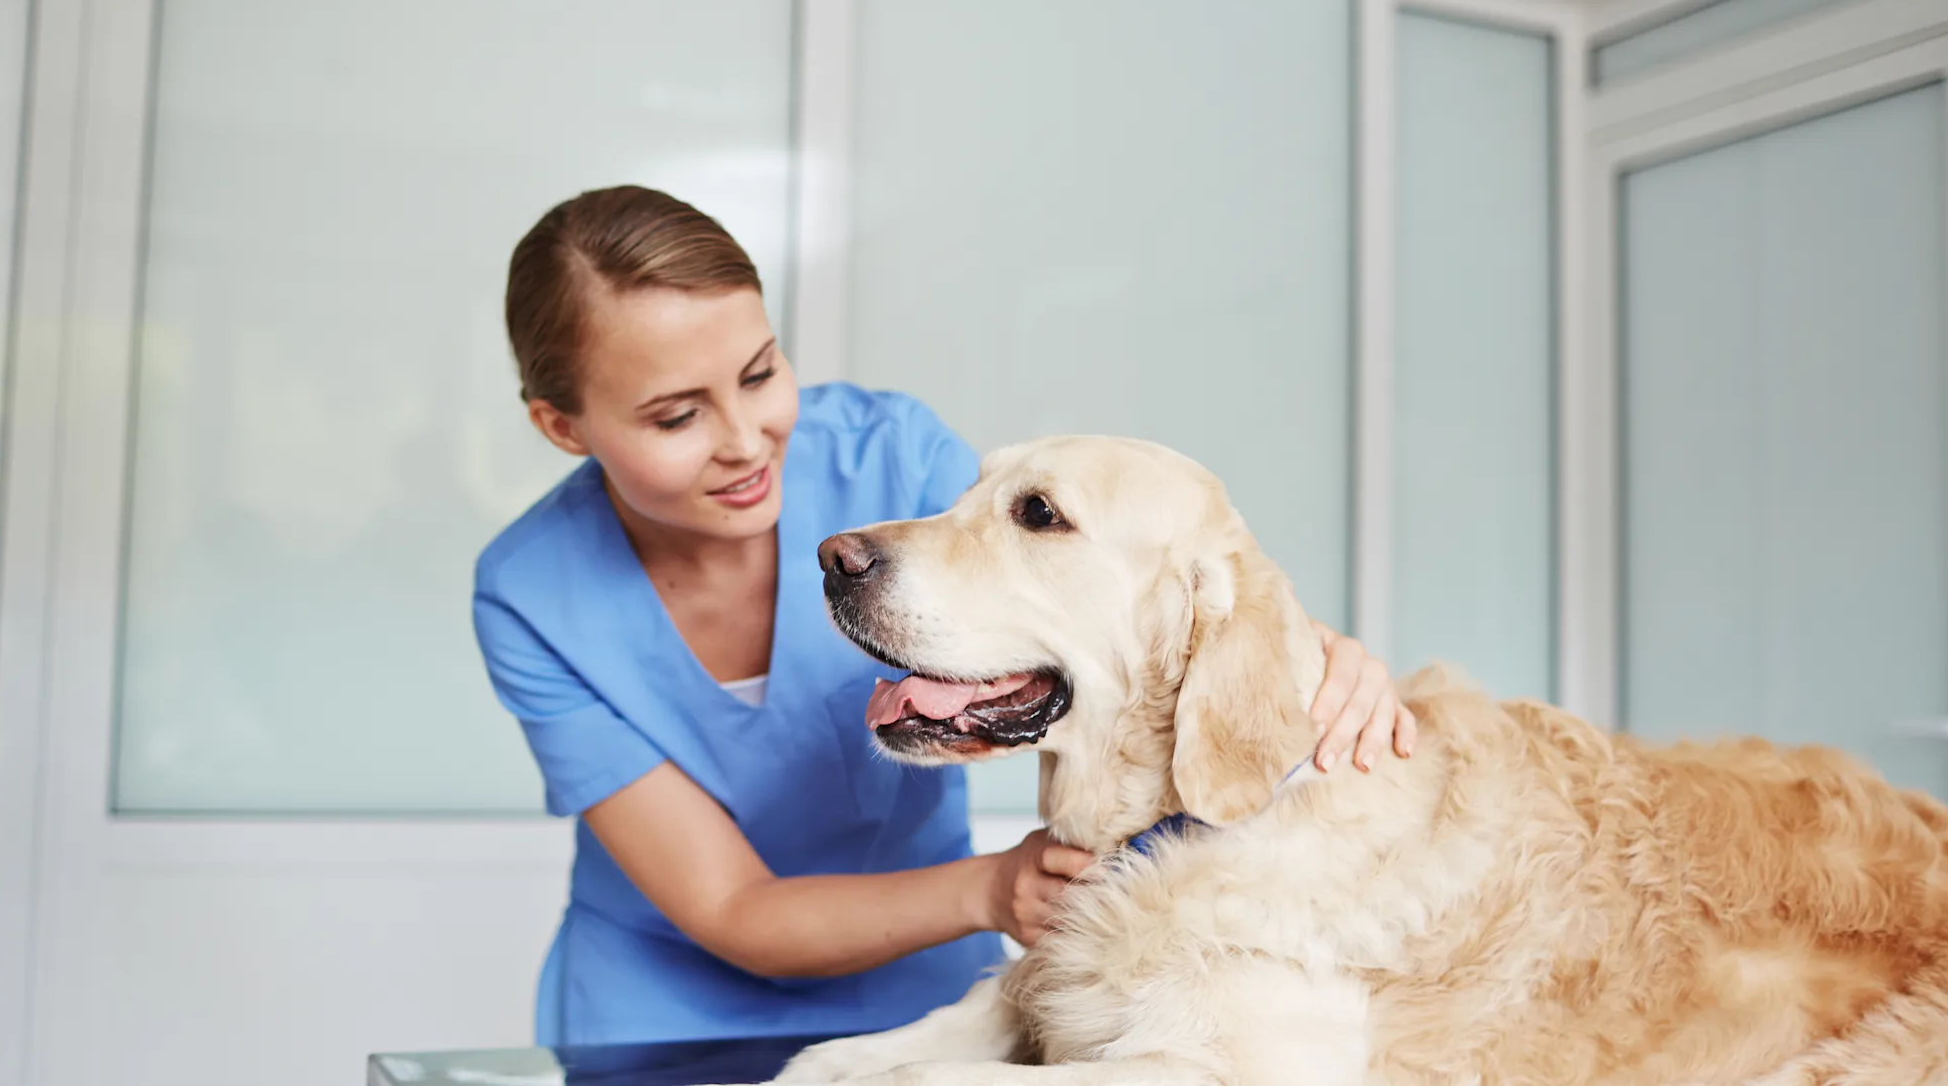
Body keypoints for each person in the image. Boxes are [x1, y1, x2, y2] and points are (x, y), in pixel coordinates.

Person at [471, 185, 1416, 1046]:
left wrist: (1320, 660)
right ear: (563, 427)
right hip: (658, 1021)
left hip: (926, 1005)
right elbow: (733, 908)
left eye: (760, 373)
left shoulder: (888, 452)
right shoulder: (531, 594)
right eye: (677, 418)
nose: (745, 440)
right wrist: (993, 887)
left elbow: (1102, 591)